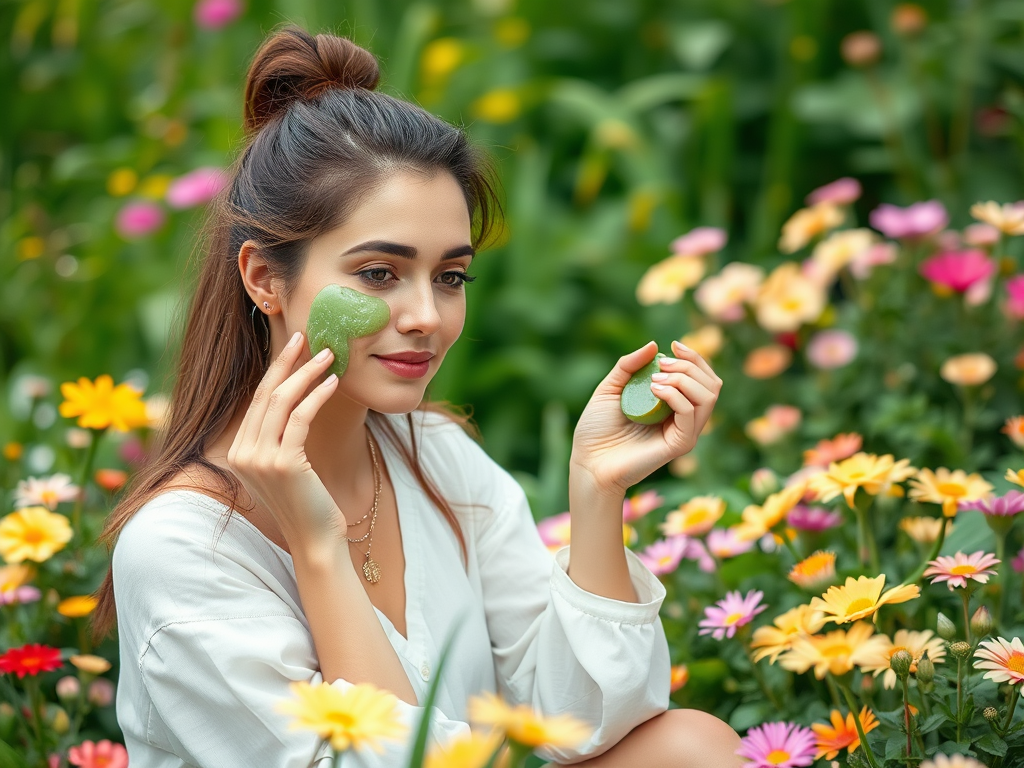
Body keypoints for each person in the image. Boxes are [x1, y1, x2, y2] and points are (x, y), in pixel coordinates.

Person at [92, 24, 741, 768]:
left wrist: (597, 492)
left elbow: (586, 720)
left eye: (450, 276)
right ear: (264, 279)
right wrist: (318, 547)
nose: (428, 316)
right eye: (378, 273)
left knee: (691, 745)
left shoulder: (436, 458)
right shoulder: (182, 547)